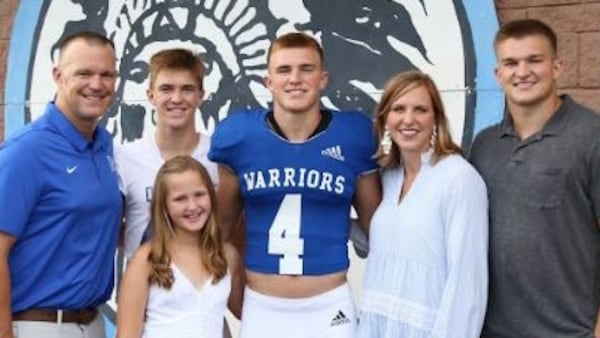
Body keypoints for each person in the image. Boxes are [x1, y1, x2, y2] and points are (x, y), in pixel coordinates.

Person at [208, 32, 381, 338]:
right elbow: (220, 231)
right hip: (263, 305)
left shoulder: (352, 135)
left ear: (323, 78)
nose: (295, 79)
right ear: (268, 81)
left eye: (307, 69)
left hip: (330, 305)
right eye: (284, 70)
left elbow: (379, 230)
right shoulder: (240, 137)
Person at [470, 19, 600, 338]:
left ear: (556, 67)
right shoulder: (484, 145)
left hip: (569, 331)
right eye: (511, 63)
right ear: (498, 75)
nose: (522, 72)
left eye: (535, 60)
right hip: (491, 331)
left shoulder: (592, 136)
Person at [0, 31, 121, 338]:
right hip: (37, 326)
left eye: (107, 74)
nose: (97, 84)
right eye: (84, 73)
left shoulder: (104, 147)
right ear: (58, 75)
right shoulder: (26, 151)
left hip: (93, 324)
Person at [356, 70, 488, 337]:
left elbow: (467, 278)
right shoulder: (390, 177)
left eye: (420, 110)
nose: (408, 119)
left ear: (436, 118)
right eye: (398, 109)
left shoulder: (458, 178)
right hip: (379, 324)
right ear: (385, 119)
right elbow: (387, 244)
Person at [116, 155, 243, 338]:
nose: (192, 206)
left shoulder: (227, 255)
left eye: (199, 194)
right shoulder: (147, 260)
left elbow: (246, 312)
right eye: (180, 199)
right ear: (164, 205)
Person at [114, 48, 218, 260]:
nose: (177, 98)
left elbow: (231, 226)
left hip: (205, 285)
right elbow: (110, 228)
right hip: (145, 285)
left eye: (187, 89)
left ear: (201, 96)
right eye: (166, 89)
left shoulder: (218, 157)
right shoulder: (125, 158)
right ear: (151, 95)